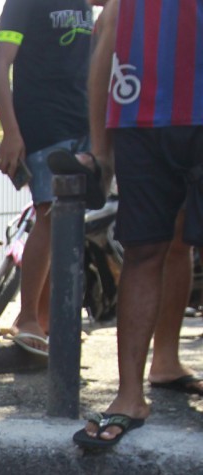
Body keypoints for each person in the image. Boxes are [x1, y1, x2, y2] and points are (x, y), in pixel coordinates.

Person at [68, 0, 203, 449]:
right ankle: (130, 395)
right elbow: (108, 28)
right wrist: (101, 150)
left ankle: (161, 367)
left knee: (174, 245)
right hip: (140, 116)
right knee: (144, 249)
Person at [0, 0, 97, 357]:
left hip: (85, 122)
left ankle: (51, 319)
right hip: (43, 123)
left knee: (71, 224)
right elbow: (0, 66)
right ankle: (27, 316)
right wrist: (10, 132)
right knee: (49, 216)